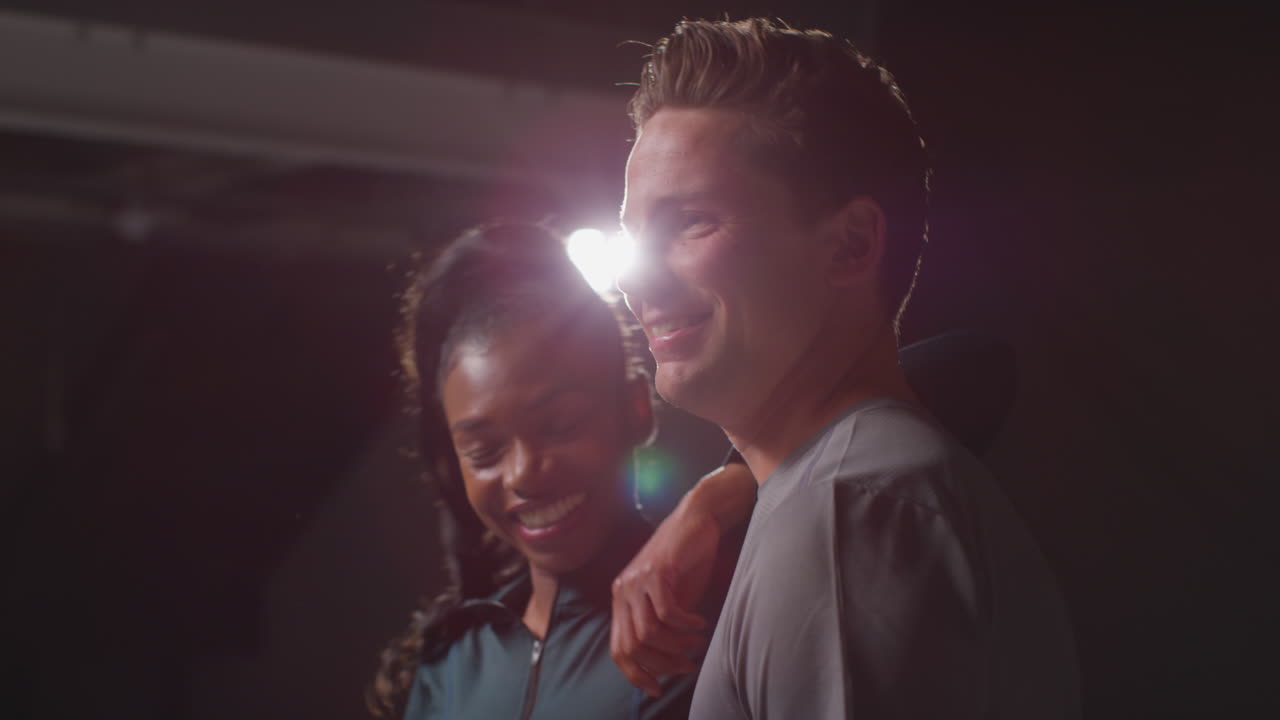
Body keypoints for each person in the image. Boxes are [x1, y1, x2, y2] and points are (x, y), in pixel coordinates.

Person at [614, 17, 1081, 719]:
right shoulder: (848, 489)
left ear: (852, 244)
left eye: (691, 221)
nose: (636, 278)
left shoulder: (844, 510)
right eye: (634, 234)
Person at [366, 221, 751, 720]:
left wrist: (719, 496)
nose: (524, 473)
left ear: (637, 408)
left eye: (560, 425)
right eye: (483, 452)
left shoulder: (711, 616)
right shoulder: (448, 664)